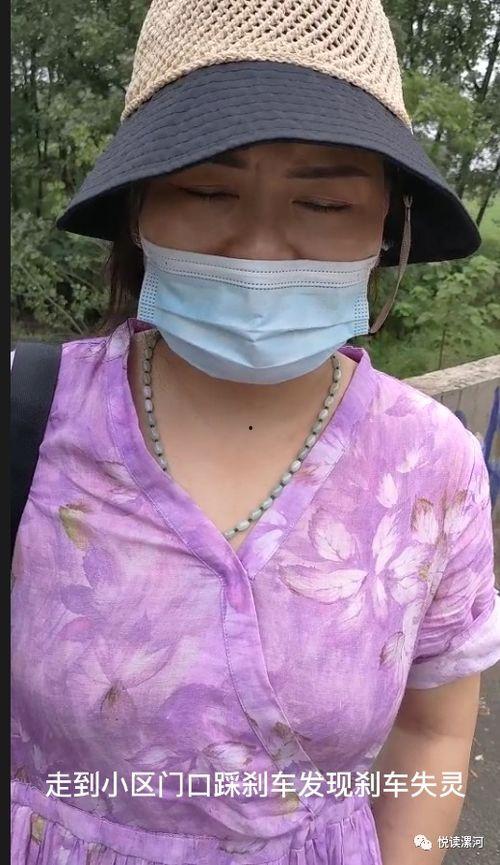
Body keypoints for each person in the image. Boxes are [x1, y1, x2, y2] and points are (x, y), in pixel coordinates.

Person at [10, 1, 500, 863]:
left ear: (387, 222)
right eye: (207, 190)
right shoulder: (27, 415)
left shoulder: (435, 465)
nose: (259, 248)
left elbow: (432, 731)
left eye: (323, 200)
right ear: (138, 208)